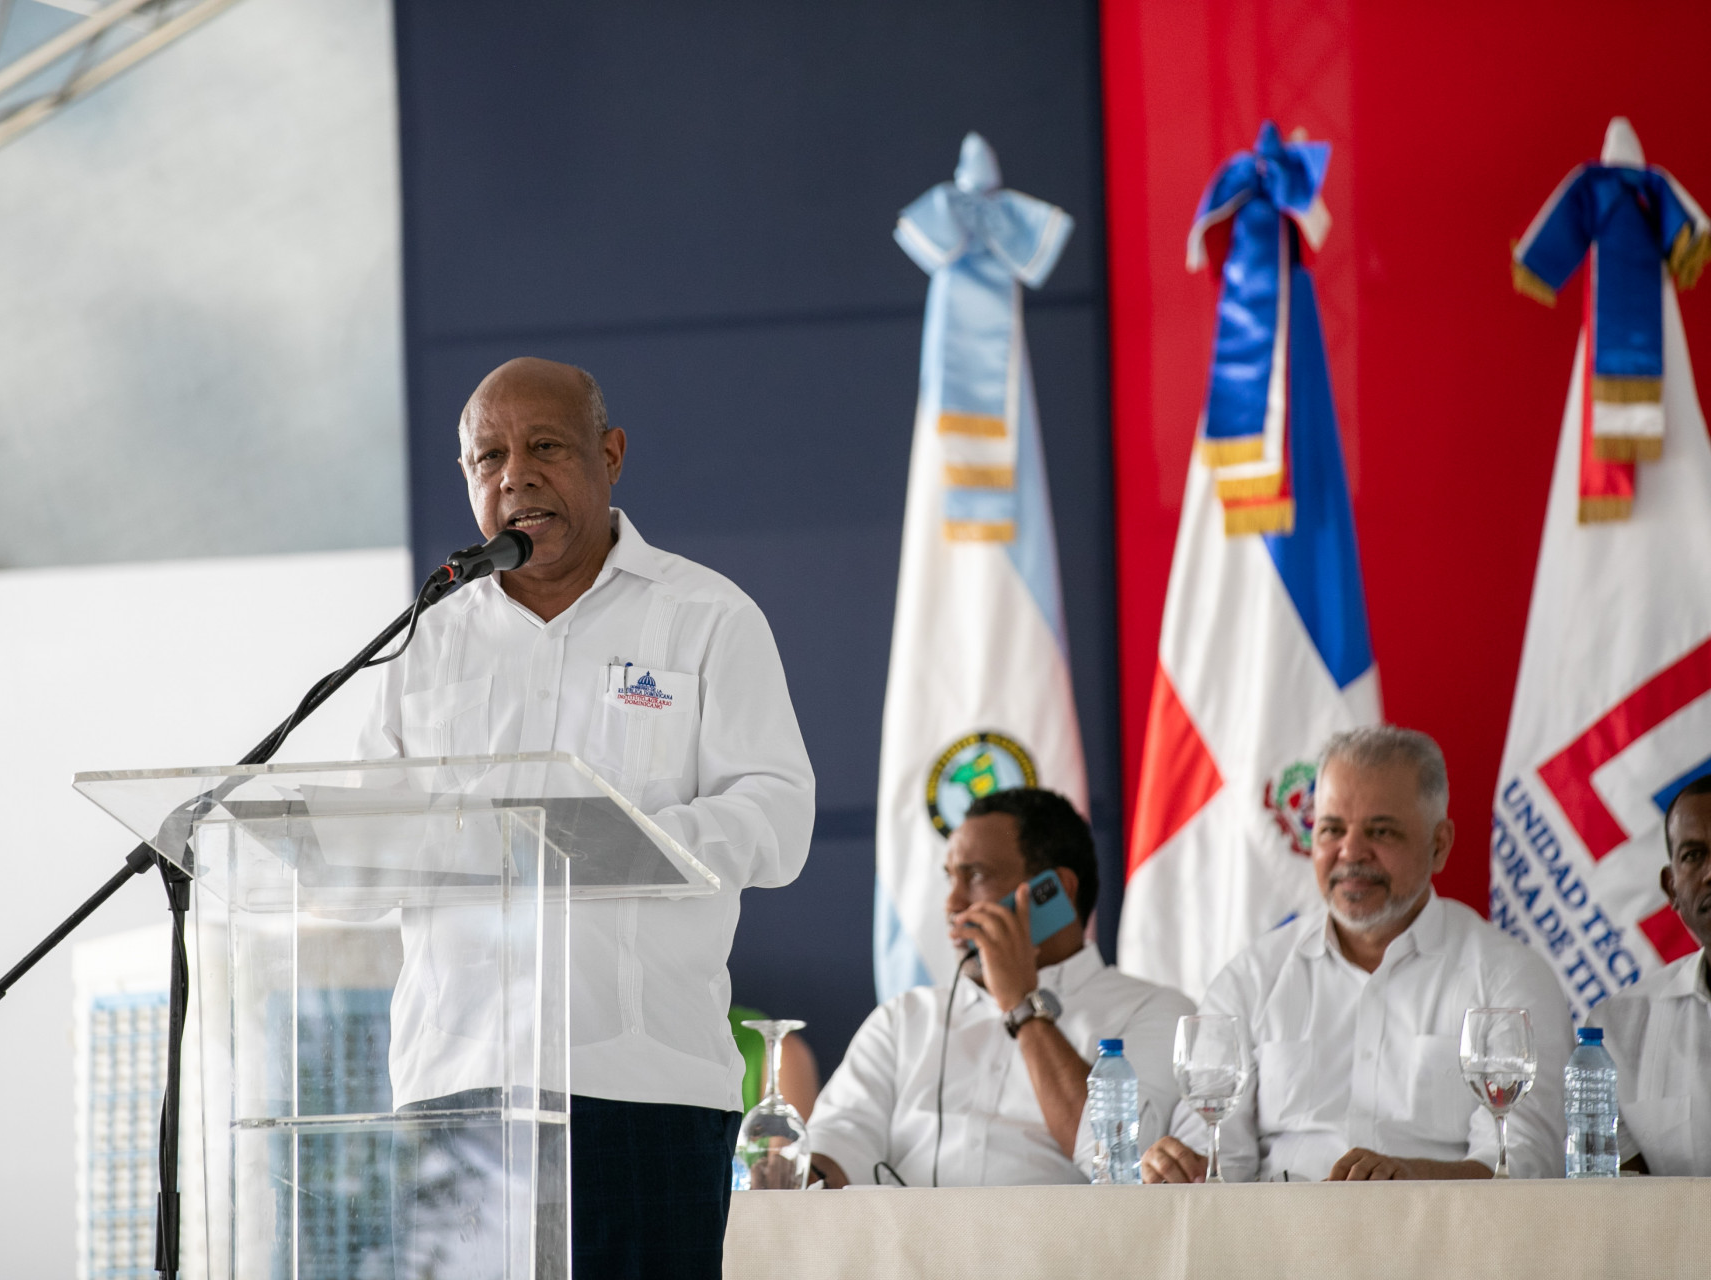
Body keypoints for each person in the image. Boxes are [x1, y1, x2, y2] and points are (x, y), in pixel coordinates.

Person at [359, 358, 815, 1278]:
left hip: (643, 1094)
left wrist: (626, 844)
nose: (515, 476)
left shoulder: (706, 617)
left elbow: (779, 815)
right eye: (489, 458)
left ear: (610, 455)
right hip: (458, 1093)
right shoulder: (425, 639)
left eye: (545, 447)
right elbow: (369, 840)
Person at [1142, 725, 1573, 1183]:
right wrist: (1179, 1167)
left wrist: (1408, 1182)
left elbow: (1523, 1164)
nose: (1350, 852)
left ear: (1439, 845)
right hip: (1280, 1227)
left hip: (1440, 1227)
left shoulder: (1508, 979)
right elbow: (1212, 1162)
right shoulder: (1251, 979)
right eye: (1331, 829)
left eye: (1380, 831)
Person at [808, 788, 1194, 1187]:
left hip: (1059, 1230)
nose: (952, 903)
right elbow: (837, 1145)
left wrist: (1022, 1003)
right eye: (950, 879)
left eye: (976, 875)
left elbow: (1118, 1164)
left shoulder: (1155, 1011)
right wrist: (792, 1170)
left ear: (1055, 891)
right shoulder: (904, 1018)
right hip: (906, 1229)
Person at [1592, 773, 1711, 1175]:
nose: (1710, 872)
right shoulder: (1619, 1028)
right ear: (1671, 888)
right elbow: (1624, 1199)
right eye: (1694, 855)